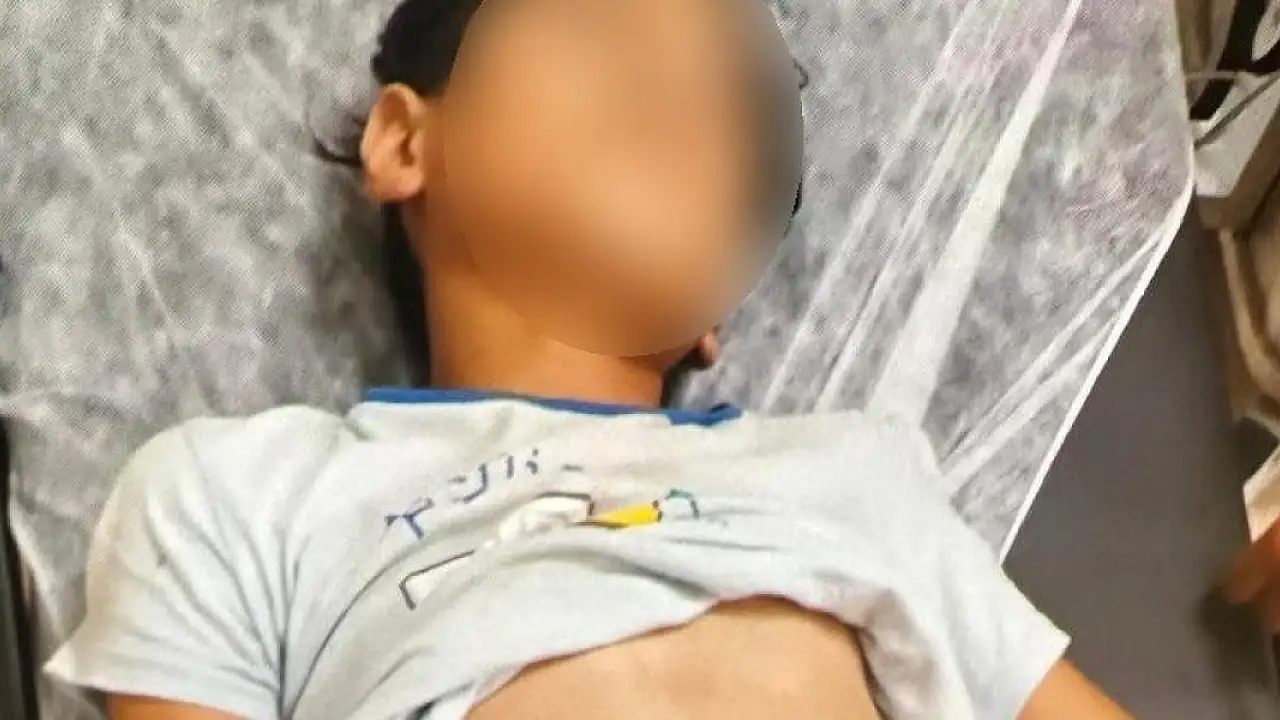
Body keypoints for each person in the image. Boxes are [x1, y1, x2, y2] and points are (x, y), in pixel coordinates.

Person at [45, 0, 1130, 717]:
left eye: (731, 94)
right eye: (594, 26)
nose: (677, 91)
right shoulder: (236, 494)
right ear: (404, 142)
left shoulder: (858, 477)